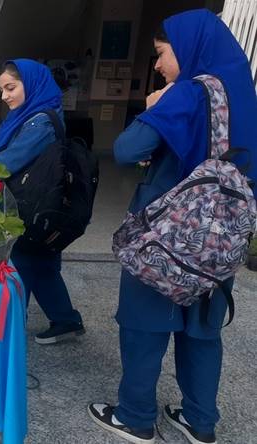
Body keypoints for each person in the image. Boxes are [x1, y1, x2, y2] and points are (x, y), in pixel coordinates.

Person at [89, 9, 257, 444]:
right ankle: (200, 422)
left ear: (187, 48)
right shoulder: (244, 95)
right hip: (219, 237)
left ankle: (135, 417)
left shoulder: (187, 92)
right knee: (202, 328)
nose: (159, 65)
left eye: (162, 53)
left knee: (146, 322)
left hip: (168, 235)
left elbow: (127, 150)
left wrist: (154, 108)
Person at [0, 59, 84, 344]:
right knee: (44, 264)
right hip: (43, 205)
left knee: (21, 262)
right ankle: (66, 320)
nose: (4, 96)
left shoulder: (41, 122)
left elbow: (9, 161)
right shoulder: (33, 114)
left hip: (33, 207)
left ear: (31, 84)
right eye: (2, 90)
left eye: (10, 88)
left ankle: (10, 330)